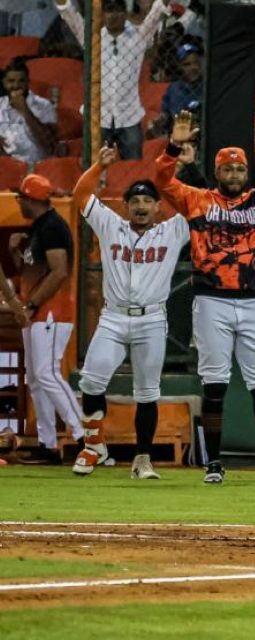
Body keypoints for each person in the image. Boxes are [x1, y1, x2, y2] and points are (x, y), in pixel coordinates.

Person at [156, 109, 255, 484]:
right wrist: (174, 145)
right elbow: (162, 180)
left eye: (239, 169)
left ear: (246, 172)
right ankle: (214, 463)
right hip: (211, 301)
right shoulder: (197, 199)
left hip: (250, 303)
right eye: (227, 170)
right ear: (217, 173)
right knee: (215, 383)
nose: (233, 175)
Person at [69, 145, 188, 478]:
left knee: (147, 392)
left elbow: (197, 204)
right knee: (92, 382)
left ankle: (142, 459)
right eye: (134, 201)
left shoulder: (173, 230)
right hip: (113, 316)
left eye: (147, 201)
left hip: (151, 319)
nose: (140, 206)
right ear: (125, 206)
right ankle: (94, 446)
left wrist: (183, 164)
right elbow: (80, 195)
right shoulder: (111, 226)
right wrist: (98, 166)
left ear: (157, 206)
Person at [6, 175, 81, 465]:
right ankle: (48, 444)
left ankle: (85, 437)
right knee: (37, 379)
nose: (19, 202)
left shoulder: (52, 227)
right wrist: (14, 251)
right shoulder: (39, 228)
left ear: (32, 200)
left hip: (51, 311)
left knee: (47, 373)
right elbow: (29, 272)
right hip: (36, 311)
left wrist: (33, 304)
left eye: (21, 197)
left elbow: (59, 272)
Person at [56, 0, 168, 159]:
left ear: (125, 14)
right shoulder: (91, 38)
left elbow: (156, 14)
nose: (114, 16)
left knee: (132, 167)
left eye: (118, 11)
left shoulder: (138, 37)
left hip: (129, 115)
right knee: (94, 166)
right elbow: (70, 16)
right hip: (98, 114)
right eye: (109, 11)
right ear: (102, 14)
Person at [0, 63, 57, 165]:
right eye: (11, 81)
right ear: (4, 83)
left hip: (35, 165)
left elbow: (49, 144)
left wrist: (24, 110)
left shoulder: (44, 105)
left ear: (27, 82)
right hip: (5, 165)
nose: (16, 85)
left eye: (21, 81)